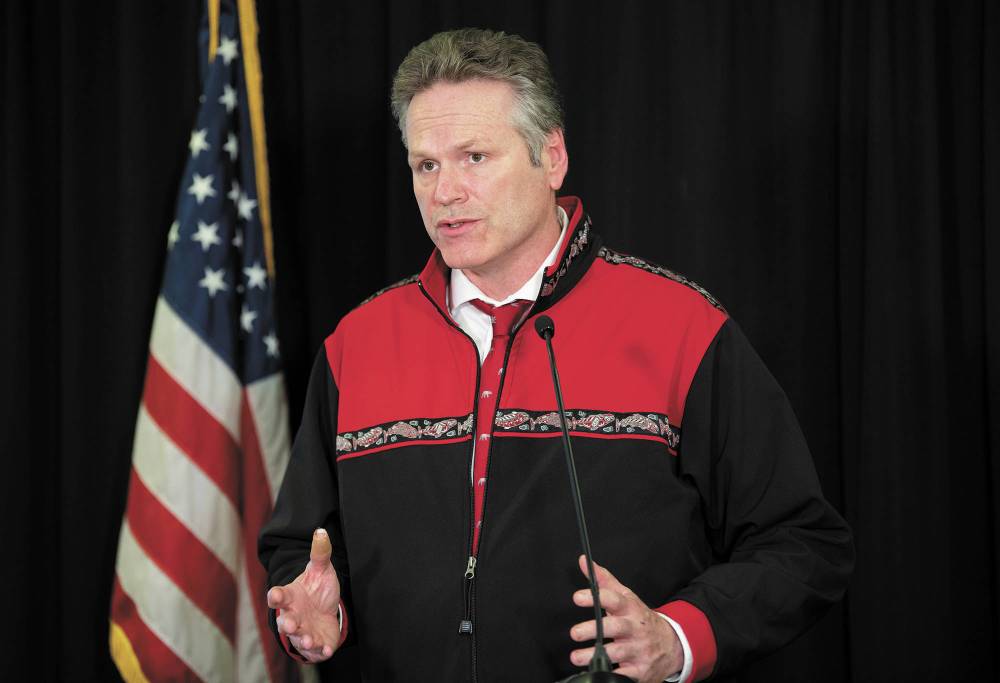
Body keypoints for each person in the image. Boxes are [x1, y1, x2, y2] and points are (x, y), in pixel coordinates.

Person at [258, 28, 854, 683]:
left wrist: (677, 637)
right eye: (426, 164)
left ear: (552, 157)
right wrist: (315, 615)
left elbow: (803, 545)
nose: (445, 191)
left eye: (475, 157)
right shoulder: (357, 345)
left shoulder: (682, 328)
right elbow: (300, 547)